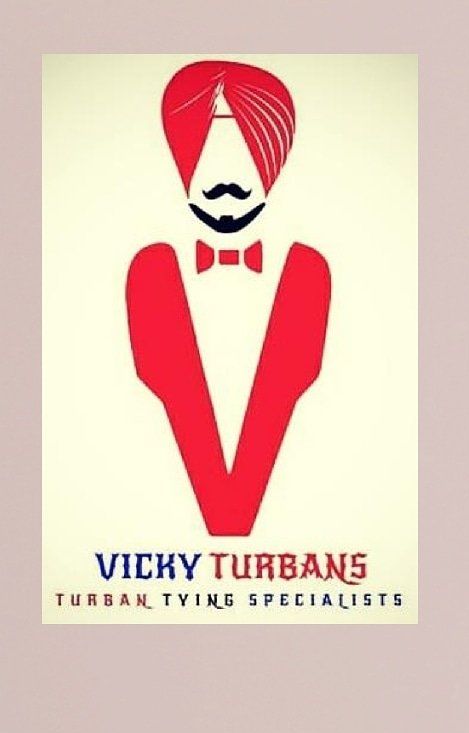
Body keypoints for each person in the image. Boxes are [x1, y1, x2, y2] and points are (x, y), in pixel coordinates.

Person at [126, 59, 332, 536]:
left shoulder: (308, 273)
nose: (226, 186)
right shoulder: (150, 272)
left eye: (247, 155)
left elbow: (296, 376)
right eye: (206, 154)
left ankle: (232, 514)